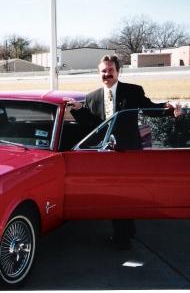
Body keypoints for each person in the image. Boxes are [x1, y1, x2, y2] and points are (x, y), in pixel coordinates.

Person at [64, 54, 182, 250]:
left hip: (128, 151)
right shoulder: (91, 97)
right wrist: (78, 109)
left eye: (111, 70)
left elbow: (150, 109)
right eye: (103, 71)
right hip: (105, 154)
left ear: (118, 71)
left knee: (126, 192)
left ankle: (124, 234)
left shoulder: (133, 91)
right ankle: (125, 233)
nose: (107, 74)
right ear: (98, 73)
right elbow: (93, 125)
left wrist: (169, 108)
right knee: (113, 194)